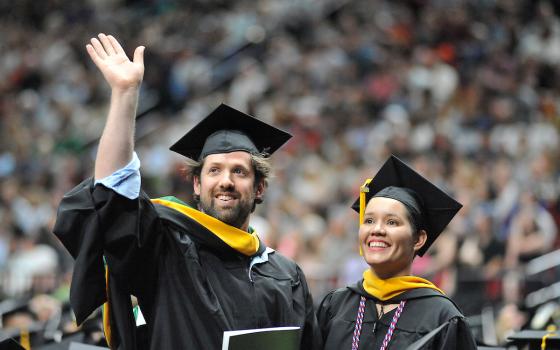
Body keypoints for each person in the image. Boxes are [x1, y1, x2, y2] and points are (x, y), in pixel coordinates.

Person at [52, 33, 321, 350]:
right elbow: (115, 200)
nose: (226, 181)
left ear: (259, 187)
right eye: (214, 170)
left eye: (239, 172)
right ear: (196, 184)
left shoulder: (286, 276)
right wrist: (125, 95)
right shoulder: (169, 249)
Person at [317, 155, 477, 349]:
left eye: (392, 222)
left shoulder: (442, 317)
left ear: (418, 239)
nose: (376, 229)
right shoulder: (335, 305)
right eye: (369, 220)